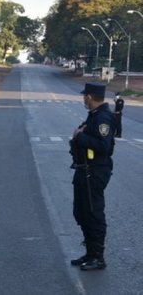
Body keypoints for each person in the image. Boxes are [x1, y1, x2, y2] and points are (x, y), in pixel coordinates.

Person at [69, 82, 115, 271]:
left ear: (89, 96)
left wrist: (80, 137)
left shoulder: (103, 117)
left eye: (84, 96)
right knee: (81, 212)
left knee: (93, 213)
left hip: (94, 172)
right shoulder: (94, 116)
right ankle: (89, 253)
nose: (83, 99)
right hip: (84, 170)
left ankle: (98, 257)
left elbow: (104, 146)